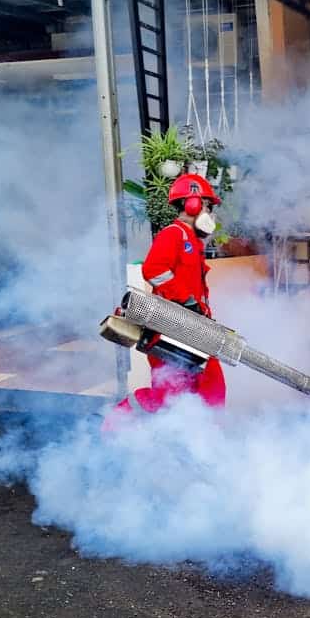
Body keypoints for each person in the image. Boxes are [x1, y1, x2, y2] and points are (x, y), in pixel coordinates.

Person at [103, 173, 227, 430]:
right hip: (172, 329)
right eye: (208, 206)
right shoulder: (174, 235)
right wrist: (183, 301)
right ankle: (114, 426)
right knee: (169, 397)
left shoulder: (191, 240)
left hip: (190, 328)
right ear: (193, 204)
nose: (210, 213)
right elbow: (153, 269)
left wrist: (197, 310)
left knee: (208, 388)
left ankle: (202, 444)